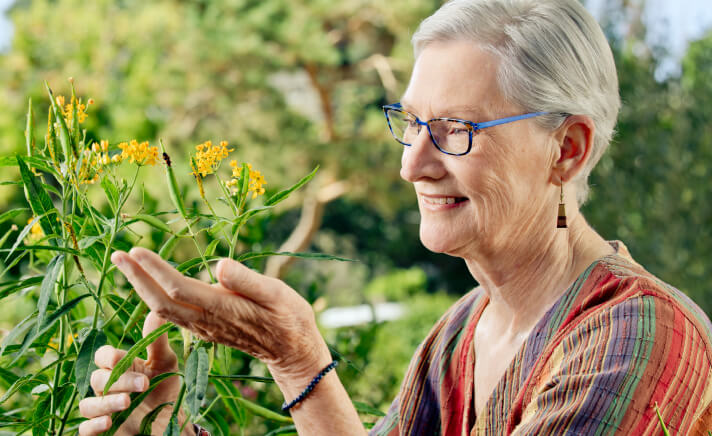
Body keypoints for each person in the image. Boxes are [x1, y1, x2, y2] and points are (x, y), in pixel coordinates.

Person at [78, 0, 712, 434]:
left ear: (565, 150)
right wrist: (172, 418)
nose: (413, 165)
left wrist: (299, 361)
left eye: (457, 129)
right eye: (411, 123)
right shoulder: (460, 334)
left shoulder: (636, 340)